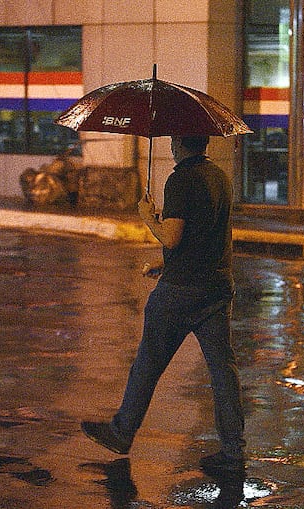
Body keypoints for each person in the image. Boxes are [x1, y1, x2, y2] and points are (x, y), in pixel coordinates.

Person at [81, 135, 246, 476]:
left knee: (148, 363)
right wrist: (166, 263)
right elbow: (210, 236)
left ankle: (122, 431)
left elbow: (172, 236)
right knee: (223, 372)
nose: (171, 145)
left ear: (179, 145)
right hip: (216, 287)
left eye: (173, 140)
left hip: (180, 292)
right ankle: (233, 451)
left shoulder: (180, 180)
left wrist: (147, 217)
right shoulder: (220, 178)